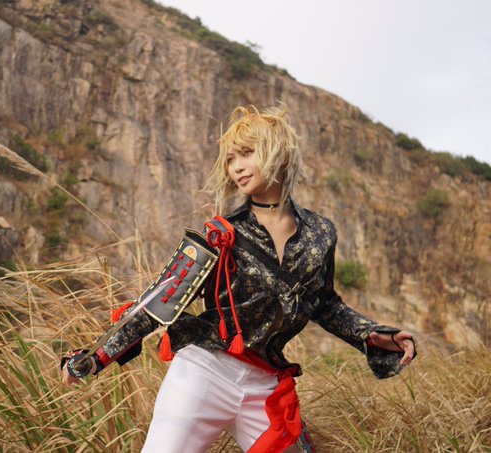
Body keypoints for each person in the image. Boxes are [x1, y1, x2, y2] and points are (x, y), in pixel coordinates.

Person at [62, 104, 416, 453]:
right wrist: (97, 356)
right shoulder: (221, 234)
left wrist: (370, 334)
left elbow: (324, 303)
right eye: (231, 159)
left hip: (264, 384)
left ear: (279, 154)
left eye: (247, 153)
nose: (237, 168)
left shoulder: (321, 234)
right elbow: (160, 300)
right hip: (203, 373)